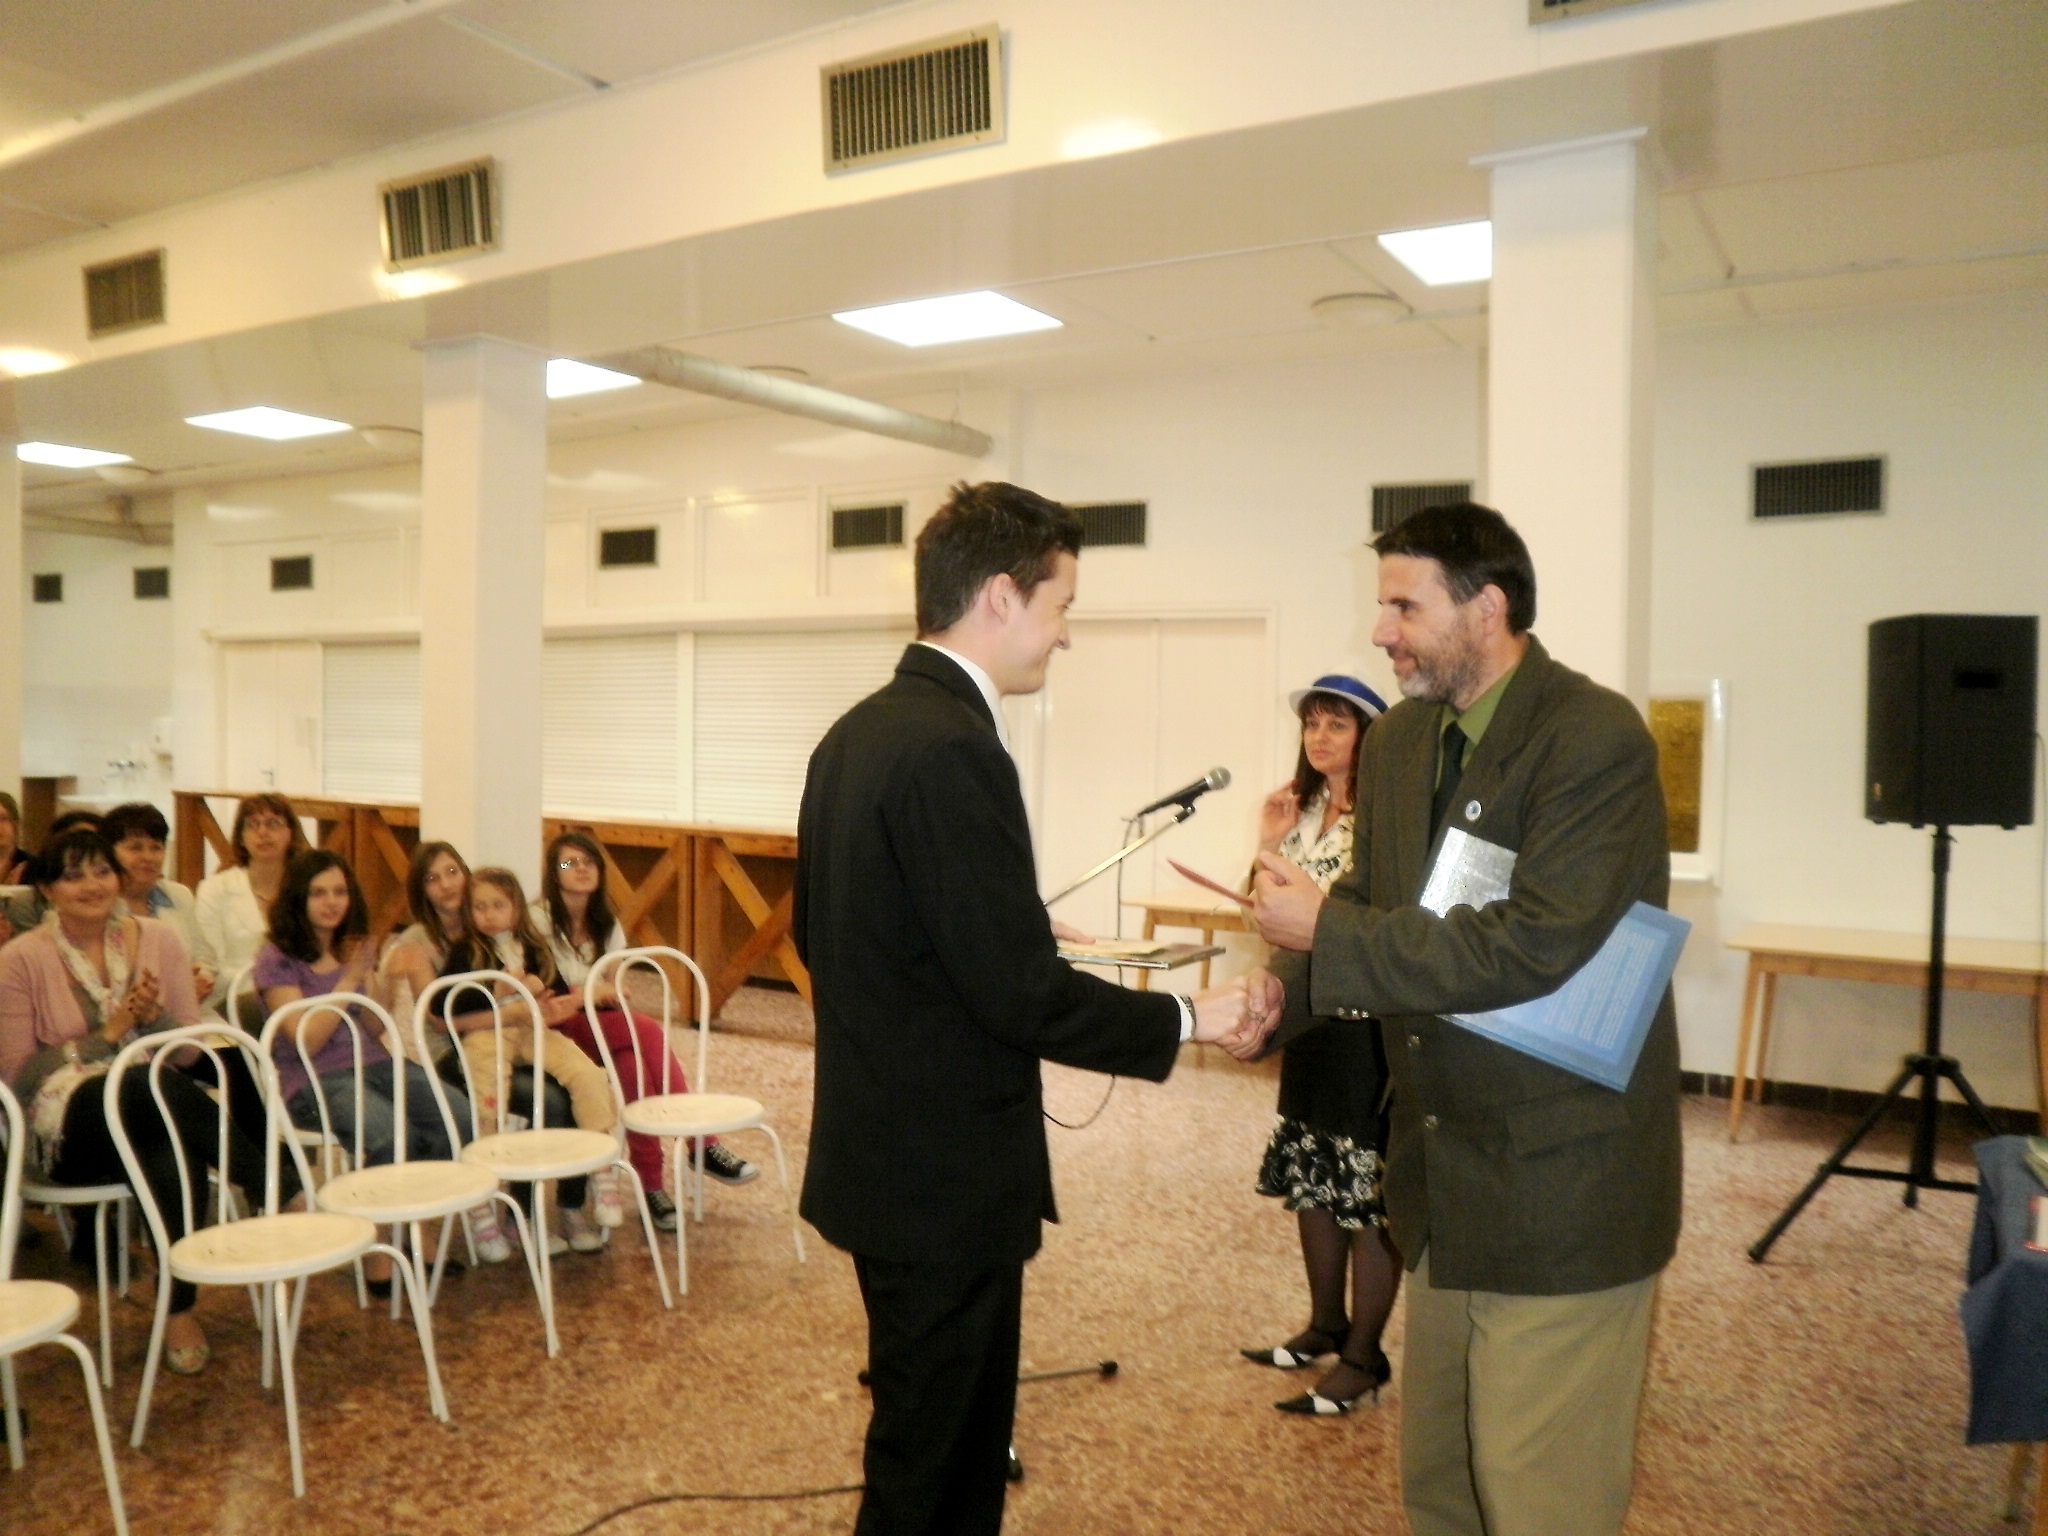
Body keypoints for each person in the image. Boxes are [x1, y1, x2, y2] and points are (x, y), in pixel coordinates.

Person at [794, 479, 1281, 1536]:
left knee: (919, 1441)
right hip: (942, 1184)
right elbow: (1017, 997)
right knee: (942, 1473)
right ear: (1001, 598)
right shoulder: (954, 747)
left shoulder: (857, 733)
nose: (1065, 636)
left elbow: (833, 933)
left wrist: (1003, 928)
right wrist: (1191, 1017)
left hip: (881, 1160)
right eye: (1061, 607)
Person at [1251, 502, 1681, 1536]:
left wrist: (1327, 933)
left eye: (1404, 607)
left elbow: (1533, 943)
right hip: (1440, 1181)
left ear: (1487, 609)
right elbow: (1371, 904)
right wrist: (1274, 998)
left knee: (1538, 1497)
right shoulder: (1401, 742)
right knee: (1443, 1486)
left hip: (1560, 1190)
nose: (1380, 631)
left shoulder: (1592, 737)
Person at [0, 825, 291, 1377]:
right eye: (73, 875)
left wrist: (152, 1019)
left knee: (167, 1143)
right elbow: (18, 1077)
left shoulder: (158, 938)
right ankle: (273, 1184)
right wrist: (109, 1034)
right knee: (136, 1083)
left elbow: (186, 1052)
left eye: (101, 871)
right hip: (65, 1130)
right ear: (48, 890)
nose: (92, 885)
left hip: (152, 1105)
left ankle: (178, 1308)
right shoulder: (19, 959)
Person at [1240, 673, 1403, 1417]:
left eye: (1338, 724)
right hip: (1308, 1016)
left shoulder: (1386, 820)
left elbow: (1373, 918)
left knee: (1363, 1194)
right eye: (1312, 724)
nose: (1320, 737)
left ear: (1370, 738)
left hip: (1364, 1022)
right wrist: (1268, 844)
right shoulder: (1302, 812)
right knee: (1313, 1173)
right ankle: (1325, 1324)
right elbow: (1262, 914)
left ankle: (1365, 1356)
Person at [255, 849, 470, 1291]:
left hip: (374, 1062)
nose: (332, 902)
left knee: (458, 1117)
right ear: (298, 898)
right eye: (318, 893)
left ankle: (414, 1224)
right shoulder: (277, 957)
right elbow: (307, 1041)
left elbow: (372, 1027)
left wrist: (380, 980)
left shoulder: (351, 945)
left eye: (340, 892)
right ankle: (378, 1245)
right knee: (390, 1135)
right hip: (311, 1078)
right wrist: (350, 978)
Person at [532, 829, 755, 1234]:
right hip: (555, 1030)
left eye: (589, 862)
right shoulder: (538, 921)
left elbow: (613, 990)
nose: (581, 869)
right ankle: (701, 1144)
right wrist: (589, 994)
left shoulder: (606, 924)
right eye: (569, 863)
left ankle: (652, 1185)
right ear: (552, 872)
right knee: (648, 1031)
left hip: (599, 1023)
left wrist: (593, 993)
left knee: (634, 1067)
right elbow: (550, 996)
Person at [439, 866, 622, 1256]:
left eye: (498, 906)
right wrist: (494, 990)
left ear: (516, 909)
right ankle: (482, 1193)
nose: (489, 914)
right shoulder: (466, 950)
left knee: (586, 1072)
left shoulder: (533, 944)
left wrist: (540, 988)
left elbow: (555, 987)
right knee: (488, 1091)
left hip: (532, 1028)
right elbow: (446, 1004)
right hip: (487, 1034)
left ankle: (602, 1168)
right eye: (480, 907)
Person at [195, 793, 308, 1017]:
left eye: (273, 824)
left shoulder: (306, 888)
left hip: (299, 996)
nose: (263, 833)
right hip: (234, 1000)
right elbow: (208, 963)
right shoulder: (215, 889)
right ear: (241, 837)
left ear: (291, 833)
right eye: (253, 825)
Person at [103, 801, 215, 1002]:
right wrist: (173, 989)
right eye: (135, 848)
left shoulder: (178, 895)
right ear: (109, 853)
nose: (148, 857)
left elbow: (205, 958)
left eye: (156, 848)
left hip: (187, 1010)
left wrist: (200, 980)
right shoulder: (99, 905)